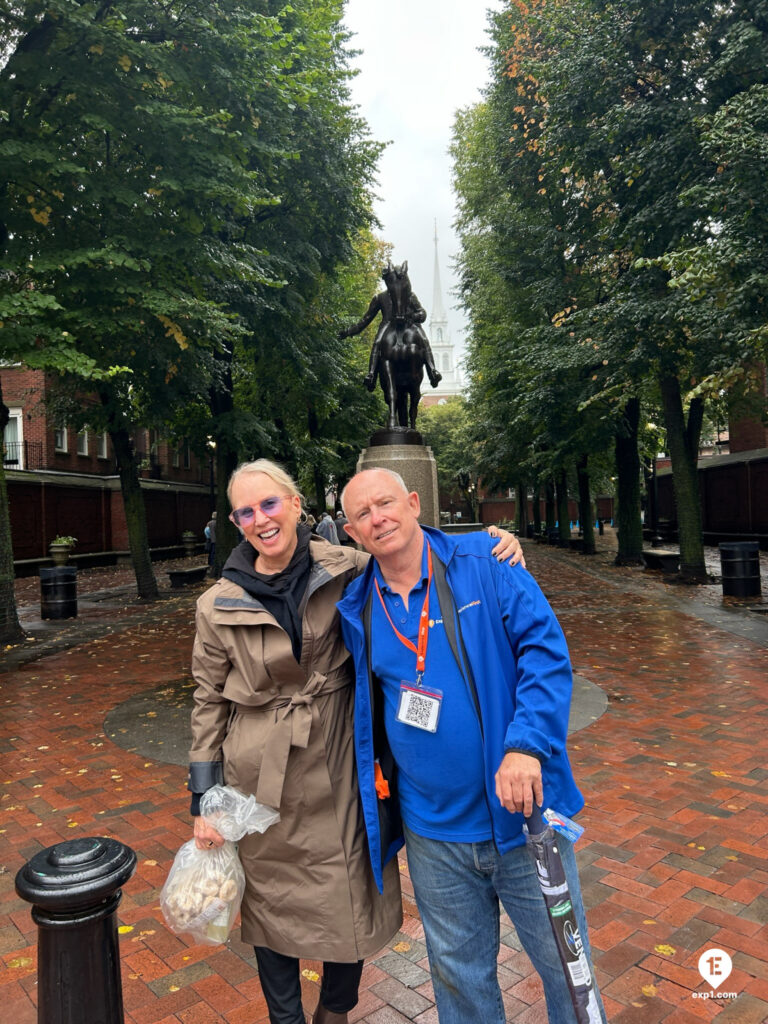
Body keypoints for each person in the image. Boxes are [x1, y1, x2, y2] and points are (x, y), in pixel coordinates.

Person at [187, 459, 524, 1024]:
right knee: (268, 901)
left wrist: (492, 543)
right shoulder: (216, 604)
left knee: (348, 890)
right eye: (245, 512)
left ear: (296, 505)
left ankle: (335, 1011)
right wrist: (204, 797)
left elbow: (410, 551)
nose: (260, 520)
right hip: (258, 775)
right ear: (234, 522)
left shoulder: (351, 568)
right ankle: (286, 1017)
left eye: (269, 504)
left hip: (338, 762)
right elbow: (207, 699)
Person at [336, 468, 607, 1024]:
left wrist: (527, 746)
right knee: (460, 980)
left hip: (524, 820)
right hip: (433, 835)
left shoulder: (487, 564)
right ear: (351, 532)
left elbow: (546, 653)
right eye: (362, 514)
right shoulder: (357, 606)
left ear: (413, 503)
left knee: (566, 968)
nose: (377, 518)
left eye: (385, 503)